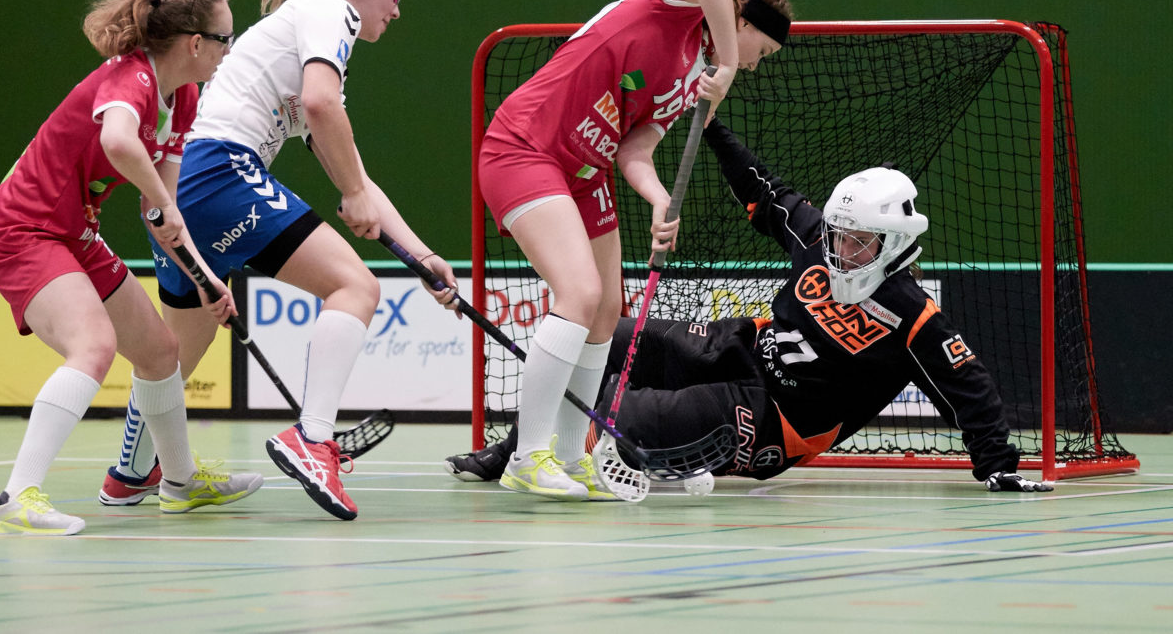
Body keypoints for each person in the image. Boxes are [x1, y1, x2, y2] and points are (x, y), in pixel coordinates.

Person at [448, 113, 1053, 494]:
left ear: (894, 243)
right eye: (837, 235)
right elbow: (764, 190)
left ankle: (563, 455)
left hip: (773, 421)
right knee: (610, 335)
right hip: (733, 348)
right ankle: (515, 451)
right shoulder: (818, 240)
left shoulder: (916, 319)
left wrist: (996, 464)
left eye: (856, 241)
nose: (839, 250)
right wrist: (709, 124)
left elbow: (968, 388)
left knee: (628, 412)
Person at [99, 0, 457, 522]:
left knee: (174, 354)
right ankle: (314, 438)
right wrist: (351, 193)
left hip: (183, 194)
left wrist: (420, 255)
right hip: (218, 173)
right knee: (356, 285)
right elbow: (322, 108)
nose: (395, 10)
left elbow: (351, 168)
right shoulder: (327, 12)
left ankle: (130, 474)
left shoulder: (294, 32)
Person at [476, 0, 792, 500]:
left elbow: (635, 148)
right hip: (526, 146)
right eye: (762, 49)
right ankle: (527, 457)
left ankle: (574, 459)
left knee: (605, 312)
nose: (757, 64)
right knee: (578, 295)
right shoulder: (673, 8)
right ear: (743, 21)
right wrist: (733, 64)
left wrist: (658, 197)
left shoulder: (698, 75)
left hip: (586, 168)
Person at [0, 0, 264, 536]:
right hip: (23, 231)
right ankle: (14, 498)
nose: (230, 51)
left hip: (73, 232)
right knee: (94, 345)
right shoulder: (129, 79)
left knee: (160, 352)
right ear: (192, 43)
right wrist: (161, 203)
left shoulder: (183, 97)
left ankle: (180, 483)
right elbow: (117, 143)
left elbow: (164, 214)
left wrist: (205, 280)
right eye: (225, 39)